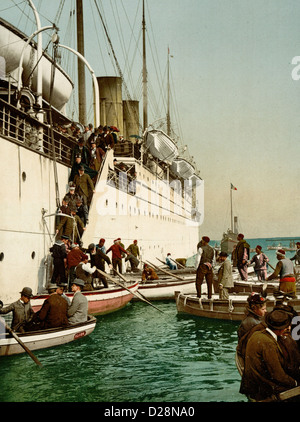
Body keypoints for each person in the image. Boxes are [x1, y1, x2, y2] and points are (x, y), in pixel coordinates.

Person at [240, 309, 297, 401]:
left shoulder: (257, 334)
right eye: (287, 326)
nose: (289, 328)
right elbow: (278, 375)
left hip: (252, 385)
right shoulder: (268, 343)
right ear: (281, 329)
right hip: (263, 390)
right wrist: (295, 382)